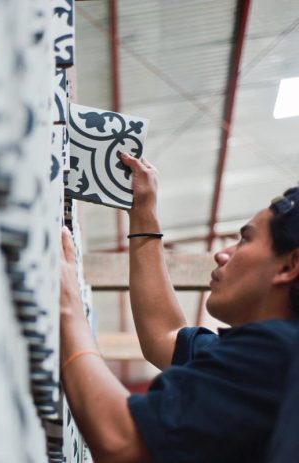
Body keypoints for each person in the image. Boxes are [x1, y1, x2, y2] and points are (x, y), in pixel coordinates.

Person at [59, 151, 299, 463]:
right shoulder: (266, 363)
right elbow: (164, 335)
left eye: (245, 240)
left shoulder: (279, 352)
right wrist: (143, 211)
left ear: (290, 265)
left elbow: (122, 441)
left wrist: (67, 310)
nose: (222, 254)